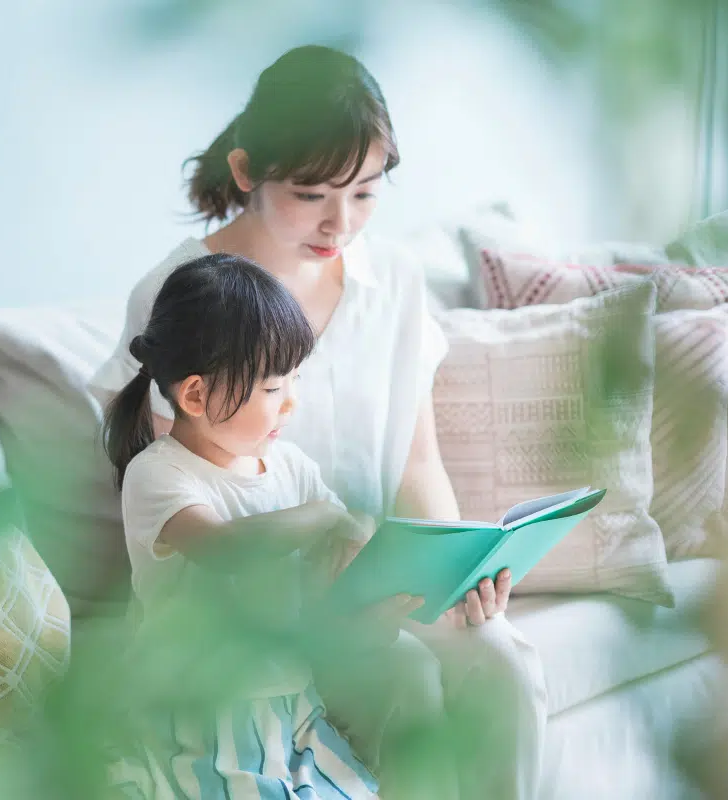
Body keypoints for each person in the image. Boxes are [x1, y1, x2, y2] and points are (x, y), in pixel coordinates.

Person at [90, 44, 547, 799]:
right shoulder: (181, 291)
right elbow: (180, 484)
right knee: (405, 677)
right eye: (312, 193)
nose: (342, 222)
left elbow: (415, 464)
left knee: (502, 659)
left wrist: (455, 575)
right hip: (263, 624)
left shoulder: (392, 279)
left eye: (366, 193)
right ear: (246, 173)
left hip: (372, 585)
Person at [102, 252, 454, 798]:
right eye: (272, 388)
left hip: (294, 704)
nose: (291, 403)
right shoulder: (159, 474)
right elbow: (226, 548)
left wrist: (386, 593)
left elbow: (333, 580)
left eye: (294, 380)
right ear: (195, 394)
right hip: (203, 711)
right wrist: (324, 516)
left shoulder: (291, 469)